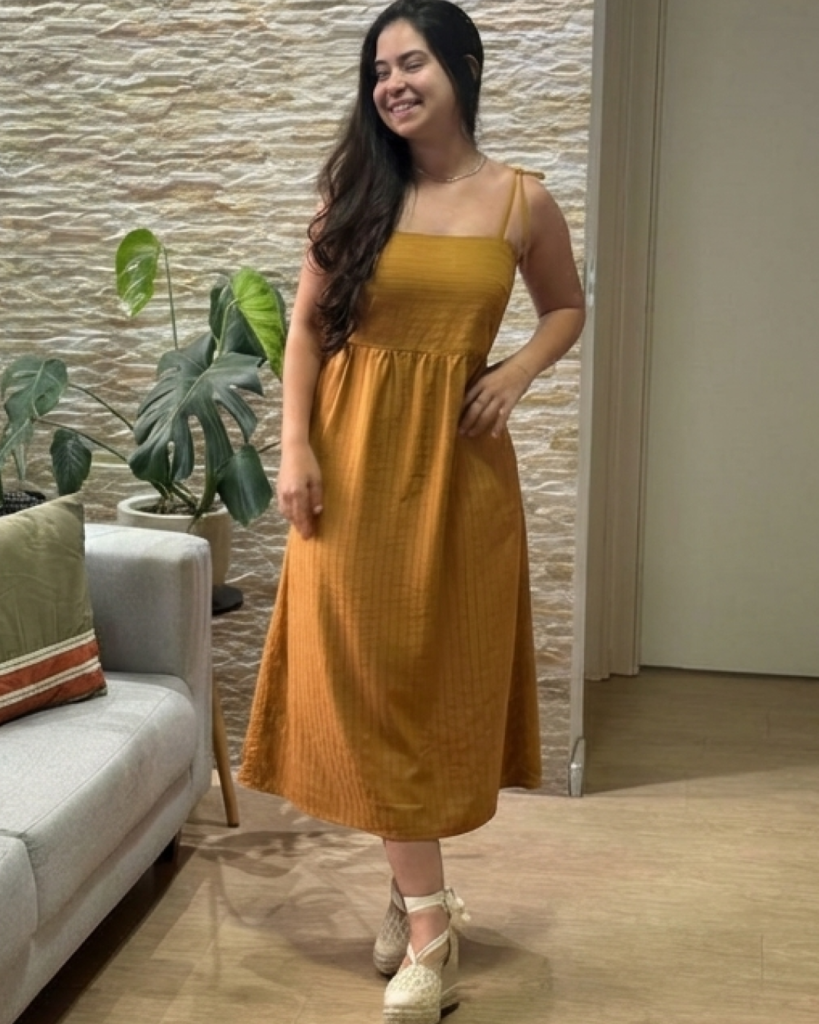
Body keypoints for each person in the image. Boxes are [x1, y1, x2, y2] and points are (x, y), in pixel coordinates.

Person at [239, 1, 586, 1021]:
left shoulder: (520, 199)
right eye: (379, 69)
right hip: (349, 469)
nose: (391, 83)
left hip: (459, 474)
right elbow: (306, 330)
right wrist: (294, 447)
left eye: (412, 62)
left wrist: (515, 371)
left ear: (463, 66)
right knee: (371, 684)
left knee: (429, 682)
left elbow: (567, 306)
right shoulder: (357, 192)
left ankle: (410, 896)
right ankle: (432, 928)